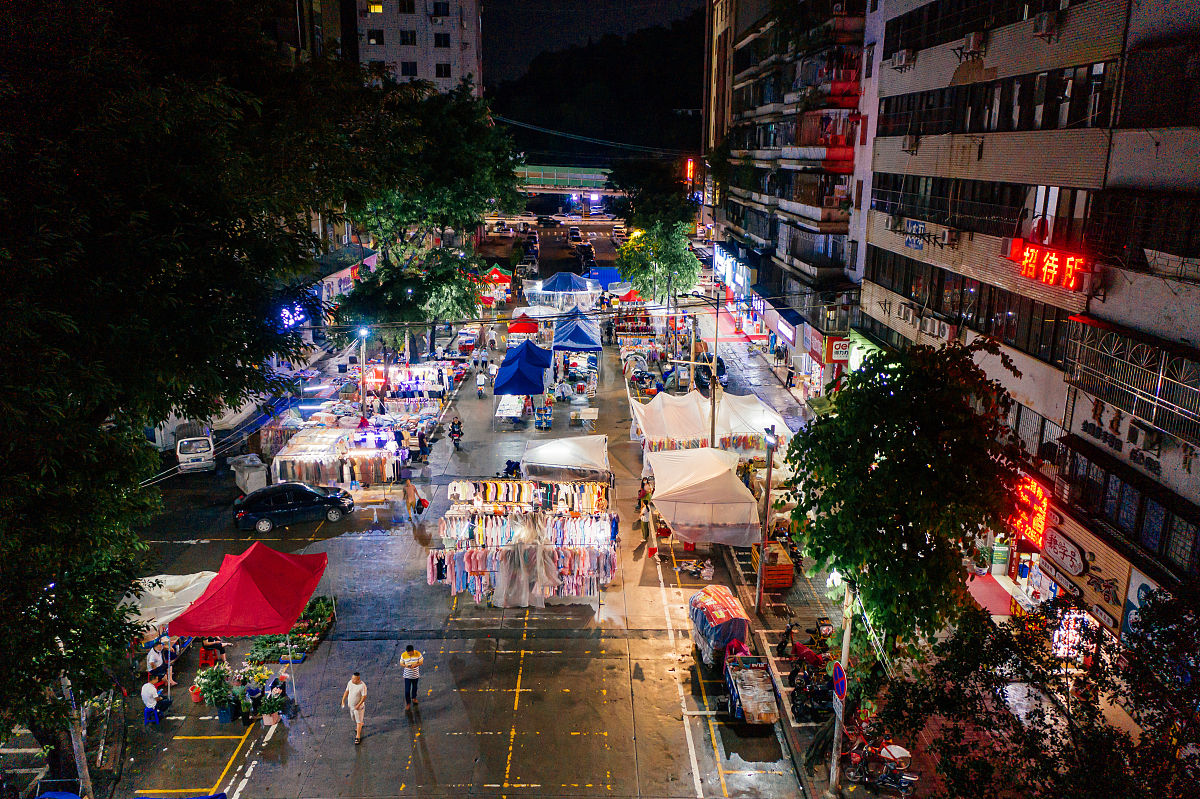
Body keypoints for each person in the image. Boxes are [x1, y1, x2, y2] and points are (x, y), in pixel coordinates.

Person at [341, 672, 367, 744]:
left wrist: (358, 705)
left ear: (358, 679)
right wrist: (343, 700)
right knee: (353, 718)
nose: (352, 680)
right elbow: (347, 691)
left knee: (358, 721)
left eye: (354, 679)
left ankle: (358, 736)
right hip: (351, 707)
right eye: (352, 678)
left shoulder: (362, 686)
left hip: (358, 708)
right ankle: (360, 724)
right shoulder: (350, 683)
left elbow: (364, 696)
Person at [401, 645, 424, 710]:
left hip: (415, 675)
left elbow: (421, 662)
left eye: (410, 653)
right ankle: (408, 703)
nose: (409, 654)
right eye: (408, 653)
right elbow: (401, 663)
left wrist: (415, 665)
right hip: (407, 676)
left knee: (414, 687)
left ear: (413, 651)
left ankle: (414, 698)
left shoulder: (418, 654)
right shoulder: (403, 655)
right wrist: (406, 665)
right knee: (407, 690)